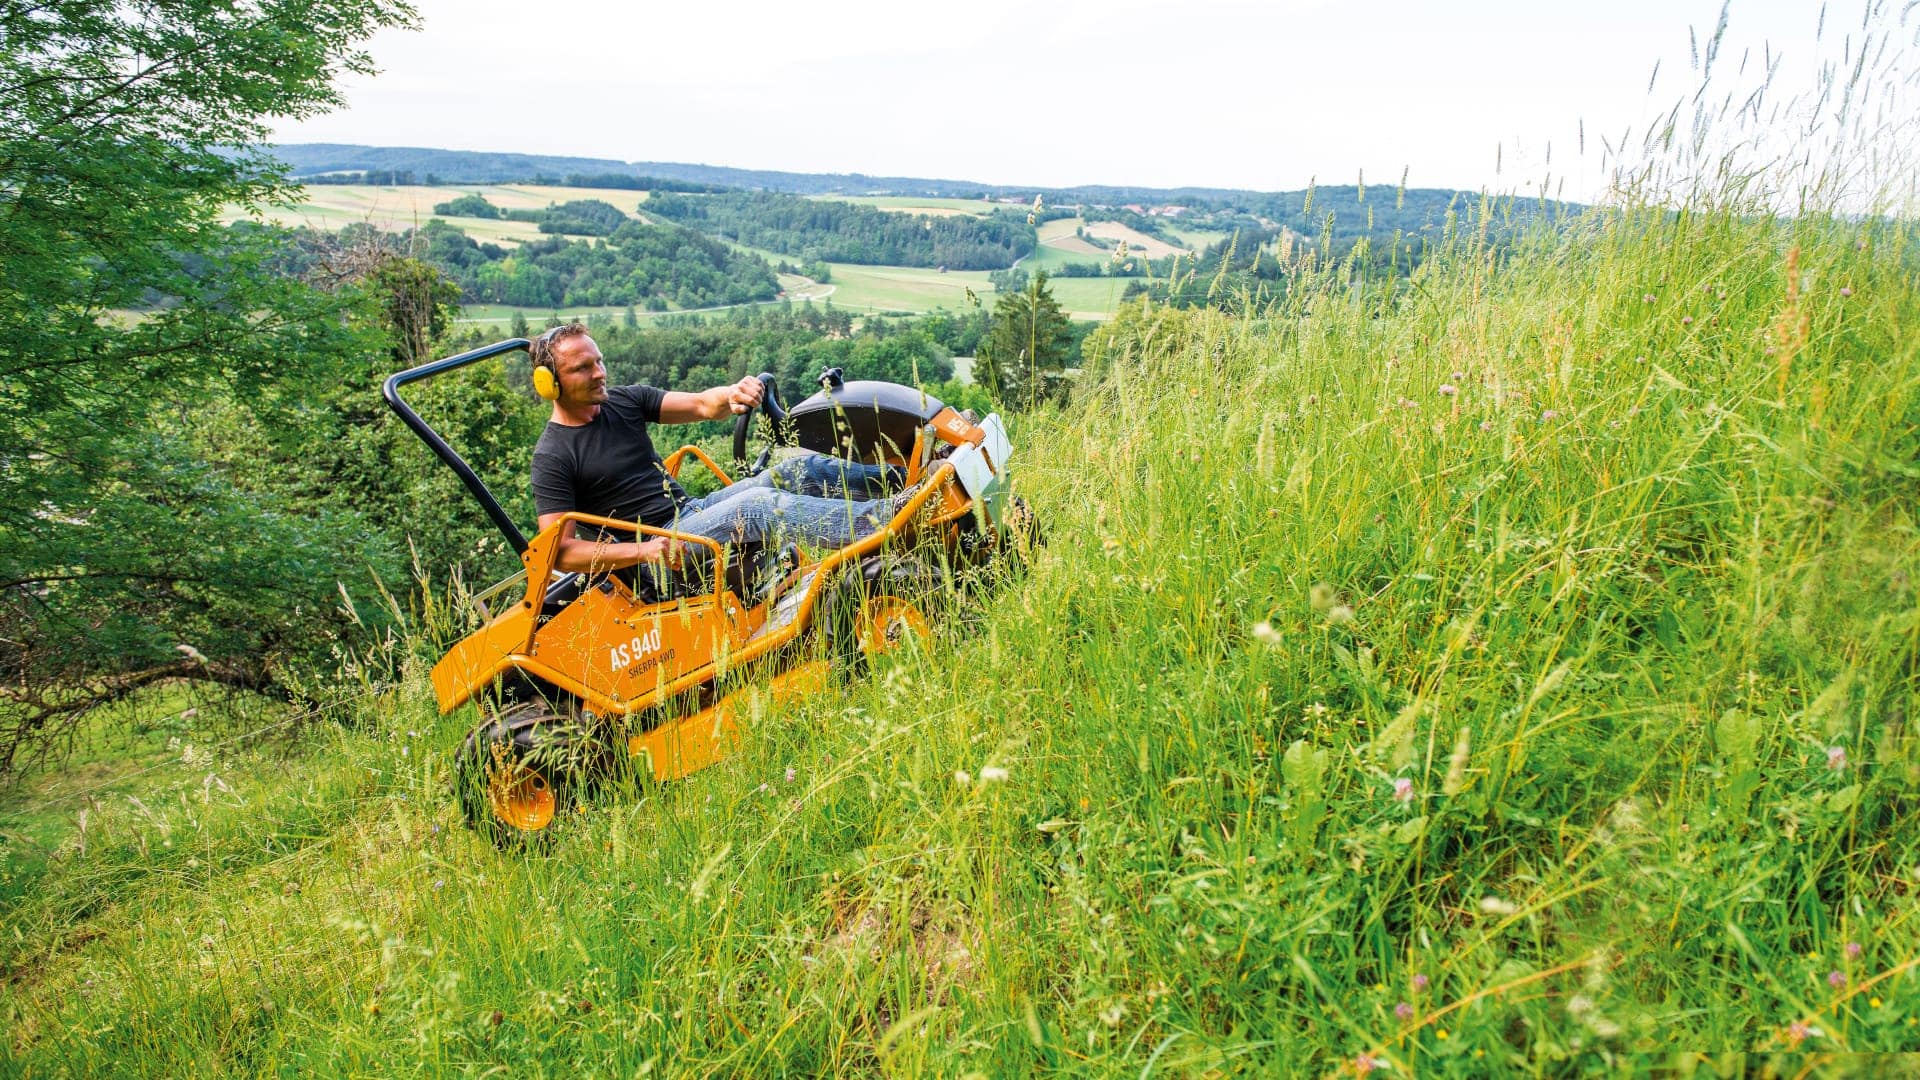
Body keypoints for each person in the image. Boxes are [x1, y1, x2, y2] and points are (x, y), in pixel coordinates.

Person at [526, 323, 915, 579]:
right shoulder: (553, 456)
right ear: (550, 383)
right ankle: (894, 521)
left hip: (692, 514)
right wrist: (643, 551)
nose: (599, 373)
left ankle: (913, 479)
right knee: (757, 506)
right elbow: (560, 552)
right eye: (583, 368)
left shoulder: (623, 401)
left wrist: (731, 394)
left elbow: (700, 404)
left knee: (799, 469)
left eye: (600, 361)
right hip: (661, 555)